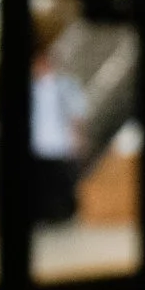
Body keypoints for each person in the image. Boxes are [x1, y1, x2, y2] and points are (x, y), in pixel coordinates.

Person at [30, 46, 91, 225]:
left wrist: (78, 139)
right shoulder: (32, 87)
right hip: (38, 144)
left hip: (60, 143)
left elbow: (77, 114)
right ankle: (42, 215)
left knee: (62, 183)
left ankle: (64, 216)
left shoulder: (65, 85)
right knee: (41, 184)